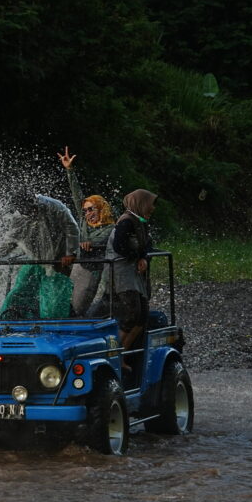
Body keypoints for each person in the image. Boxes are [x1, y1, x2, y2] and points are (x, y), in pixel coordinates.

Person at [0, 193, 79, 319]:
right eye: (27, 212)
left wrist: (70, 253)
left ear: (35, 203)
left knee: (54, 297)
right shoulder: (19, 217)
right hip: (34, 259)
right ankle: (9, 318)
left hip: (58, 259)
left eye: (32, 210)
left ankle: (55, 322)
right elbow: (11, 240)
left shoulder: (54, 206)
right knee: (20, 289)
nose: (31, 214)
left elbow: (71, 228)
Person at [57, 147, 116, 315]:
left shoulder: (111, 227)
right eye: (85, 210)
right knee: (63, 303)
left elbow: (101, 242)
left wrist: (88, 243)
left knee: (78, 306)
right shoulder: (84, 221)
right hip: (77, 266)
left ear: (100, 209)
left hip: (93, 269)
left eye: (91, 209)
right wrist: (69, 170)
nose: (88, 213)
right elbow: (77, 195)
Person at [105, 188, 158, 371]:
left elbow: (146, 245)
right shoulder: (126, 222)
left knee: (142, 316)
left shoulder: (141, 222)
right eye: (151, 203)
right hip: (122, 272)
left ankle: (121, 354)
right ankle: (114, 357)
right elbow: (120, 246)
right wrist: (137, 257)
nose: (153, 208)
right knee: (131, 314)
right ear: (141, 203)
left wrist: (143, 257)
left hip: (134, 273)